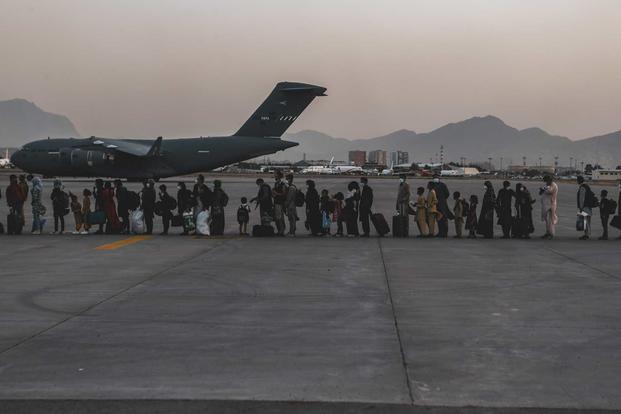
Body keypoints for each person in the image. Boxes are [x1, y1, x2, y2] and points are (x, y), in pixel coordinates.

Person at [576, 175, 595, 240]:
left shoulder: (582, 187)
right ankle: (587, 234)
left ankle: (586, 235)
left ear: (579, 180)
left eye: (577, 180)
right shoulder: (587, 186)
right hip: (588, 206)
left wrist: (581, 208)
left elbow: (582, 198)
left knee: (585, 221)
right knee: (588, 221)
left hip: (584, 207)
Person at [539, 175, 558, 239]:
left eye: (546, 181)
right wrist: (542, 190)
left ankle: (551, 234)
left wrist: (543, 189)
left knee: (550, 220)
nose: (546, 183)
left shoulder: (553, 185)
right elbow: (542, 192)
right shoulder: (548, 185)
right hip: (547, 204)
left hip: (551, 204)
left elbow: (550, 191)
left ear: (549, 180)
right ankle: (547, 232)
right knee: (547, 220)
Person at [272, 170, 287, 236]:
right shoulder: (276, 183)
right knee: (277, 217)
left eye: (275, 174)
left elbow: (284, 193)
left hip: (280, 202)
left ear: (278, 175)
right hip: (276, 201)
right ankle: (279, 230)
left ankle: (281, 231)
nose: (274, 175)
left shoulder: (282, 184)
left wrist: (276, 193)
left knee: (280, 217)